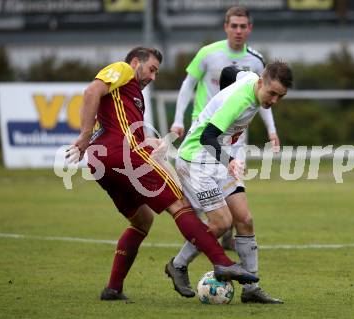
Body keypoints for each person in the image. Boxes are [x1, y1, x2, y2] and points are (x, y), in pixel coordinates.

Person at [66, 47, 258, 301]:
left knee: (142, 221)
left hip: (102, 162)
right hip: (123, 153)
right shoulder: (123, 70)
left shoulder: (132, 96)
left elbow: (124, 127)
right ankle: (221, 261)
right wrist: (85, 134)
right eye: (151, 69)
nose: (153, 77)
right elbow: (91, 91)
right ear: (135, 62)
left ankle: (113, 288)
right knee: (180, 205)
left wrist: (153, 144)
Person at [165, 61, 293, 304]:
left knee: (244, 219)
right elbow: (207, 136)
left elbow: (229, 72)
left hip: (218, 159)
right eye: (272, 93)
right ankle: (177, 265)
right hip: (196, 161)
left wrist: (222, 92)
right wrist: (230, 160)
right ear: (261, 82)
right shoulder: (239, 102)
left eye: (280, 96)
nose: (274, 101)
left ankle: (251, 289)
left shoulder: (250, 78)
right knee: (222, 222)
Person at [170, 6, 280, 250]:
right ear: (226, 27)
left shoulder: (256, 60)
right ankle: (205, 232)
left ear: (249, 28)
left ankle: (222, 234)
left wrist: (272, 130)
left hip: (235, 136)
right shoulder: (208, 53)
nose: (238, 31)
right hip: (206, 129)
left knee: (234, 192)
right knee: (207, 195)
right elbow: (188, 85)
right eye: (234, 26)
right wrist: (179, 119)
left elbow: (265, 98)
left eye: (243, 26)